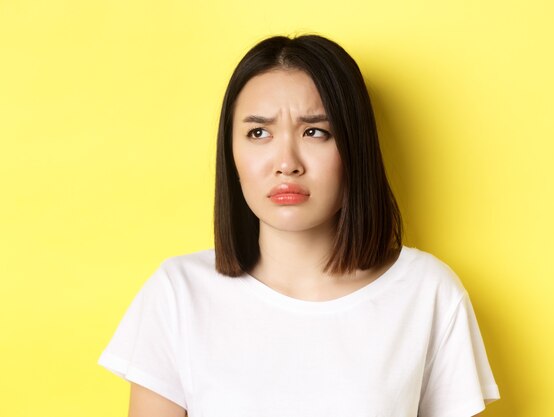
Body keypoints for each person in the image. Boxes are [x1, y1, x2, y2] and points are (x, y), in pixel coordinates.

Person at [98, 34, 500, 417]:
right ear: (231, 151)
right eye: (259, 133)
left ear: (354, 147)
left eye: (314, 132)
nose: (286, 162)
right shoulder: (178, 294)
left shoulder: (426, 292)